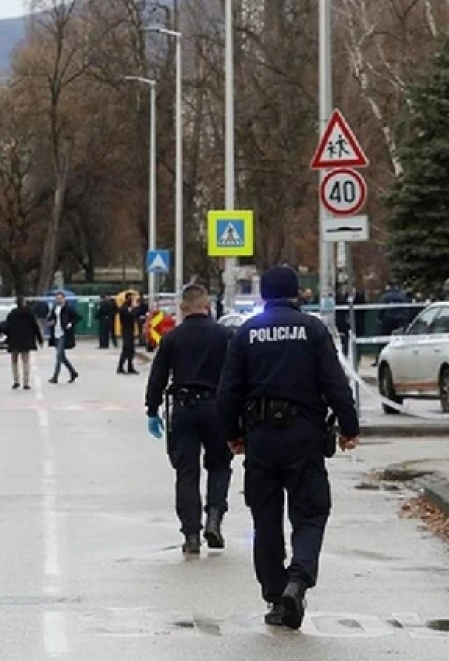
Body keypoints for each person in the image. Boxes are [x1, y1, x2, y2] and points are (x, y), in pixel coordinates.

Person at [215, 266, 360, 630]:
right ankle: (298, 581)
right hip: (304, 435)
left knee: (265, 520)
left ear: (264, 295)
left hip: (261, 438)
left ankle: (275, 595)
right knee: (310, 513)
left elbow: (228, 391)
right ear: (297, 293)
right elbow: (335, 382)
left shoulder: (248, 332)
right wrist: (349, 426)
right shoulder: (312, 330)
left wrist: (232, 433)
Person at [144, 284, 234, 554]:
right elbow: (236, 375)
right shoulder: (224, 336)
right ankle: (215, 518)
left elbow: (158, 377)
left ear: (183, 308)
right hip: (217, 408)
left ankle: (191, 534)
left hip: (183, 408)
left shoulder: (173, 338)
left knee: (187, 473)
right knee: (219, 465)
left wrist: (152, 409)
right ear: (207, 306)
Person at [0, 297, 43, 390]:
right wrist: (40, 339)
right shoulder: (29, 314)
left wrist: (2, 329)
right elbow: (35, 327)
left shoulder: (12, 314)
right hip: (26, 340)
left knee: (14, 360)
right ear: (24, 303)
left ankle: (16, 381)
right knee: (25, 361)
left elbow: (7, 327)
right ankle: (26, 382)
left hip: (14, 340)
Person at [46, 292, 79, 384]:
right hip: (55, 333)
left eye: (60, 298)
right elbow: (50, 318)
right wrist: (50, 322)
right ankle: (73, 372)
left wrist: (70, 324)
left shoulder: (68, 308)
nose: (58, 300)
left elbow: (77, 317)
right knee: (62, 357)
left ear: (64, 299)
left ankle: (55, 376)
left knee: (59, 355)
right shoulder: (55, 308)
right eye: (57, 298)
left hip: (64, 334)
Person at [117, 292, 142, 374]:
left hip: (130, 330)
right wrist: (134, 308)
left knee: (131, 350)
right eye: (132, 299)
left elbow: (135, 316)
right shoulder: (124, 308)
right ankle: (120, 367)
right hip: (126, 330)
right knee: (126, 349)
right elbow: (130, 315)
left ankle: (130, 367)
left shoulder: (129, 307)